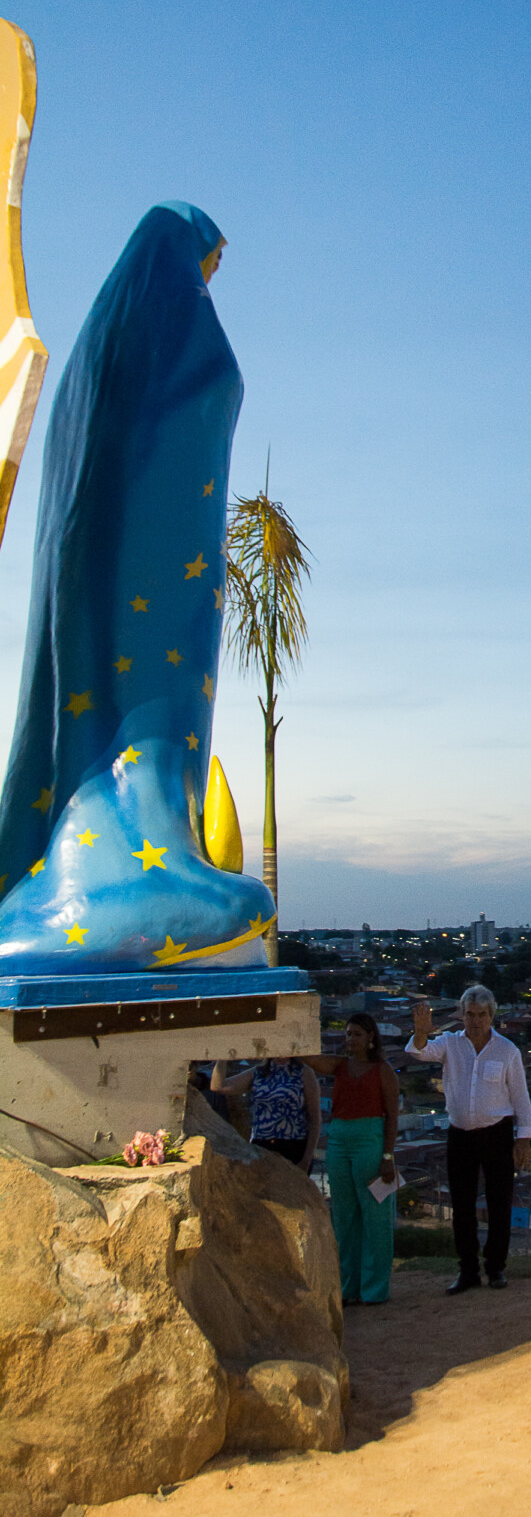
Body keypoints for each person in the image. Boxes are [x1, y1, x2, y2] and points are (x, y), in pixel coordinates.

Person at [0, 204, 276, 971]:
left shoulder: (99, 364)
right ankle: (129, 864)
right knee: (148, 683)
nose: (211, 277)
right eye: (209, 261)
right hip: (160, 546)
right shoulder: (173, 330)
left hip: (130, 552)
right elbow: (203, 390)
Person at [407, 986, 531, 1295]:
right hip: (460, 1134)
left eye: (481, 1015)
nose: (475, 1021)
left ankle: (496, 1267)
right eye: (470, 1015)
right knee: (462, 1204)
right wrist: (421, 1032)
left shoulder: (507, 1050)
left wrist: (524, 1139)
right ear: (462, 1015)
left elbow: (521, 1097)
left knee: (499, 1202)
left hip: (497, 1133)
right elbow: (419, 1052)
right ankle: (467, 1270)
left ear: (492, 1016)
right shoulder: (449, 1044)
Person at [305, 1014, 400, 1306]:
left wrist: (387, 1156)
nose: (350, 1039)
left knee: (375, 1216)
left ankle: (374, 1289)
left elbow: (392, 1117)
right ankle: (347, 1287)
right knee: (343, 1216)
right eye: (347, 1034)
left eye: (357, 1034)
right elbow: (309, 1058)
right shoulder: (340, 1065)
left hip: (369, 1142)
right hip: (339, 1141)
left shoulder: (383, 1070)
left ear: (371, 1037)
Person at [211, 1056, 322, 1168]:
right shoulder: (258, 1072)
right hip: (262, 1145)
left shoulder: (303, 1072)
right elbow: (219, 1086)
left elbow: (315, 1118)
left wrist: (306, 1159)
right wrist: (222, 1057)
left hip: (294, 1146)